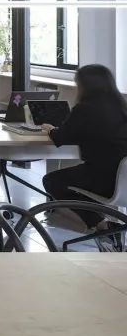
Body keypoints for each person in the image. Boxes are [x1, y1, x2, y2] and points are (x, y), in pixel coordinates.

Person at [41, 64, 127, 231]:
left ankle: (99, 223)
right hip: (123, 178)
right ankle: (103, 222)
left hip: (105, 179)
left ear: (84, 86)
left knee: (51, 181)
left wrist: (50, 129)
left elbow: (60, 138)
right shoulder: (122, 107)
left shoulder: (84, 109)